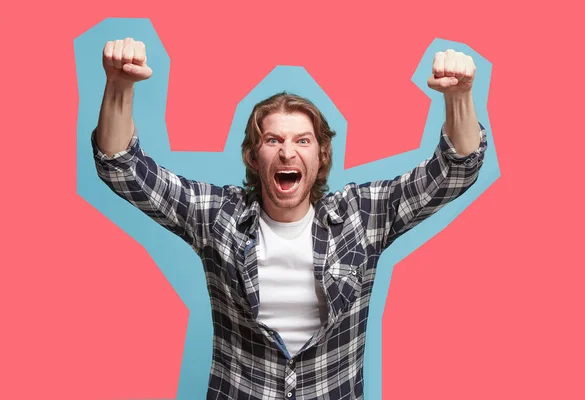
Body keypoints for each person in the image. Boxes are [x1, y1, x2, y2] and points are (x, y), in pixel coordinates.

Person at [92, 37, 487, 400]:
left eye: (302, 140)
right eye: (273, 140)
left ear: (321, 155)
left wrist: (460, 97)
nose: (287, 152)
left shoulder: (363, 216)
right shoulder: (217, 217)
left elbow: (456, 170)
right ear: (252, 156)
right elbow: (123, 170)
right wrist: (118, 85)